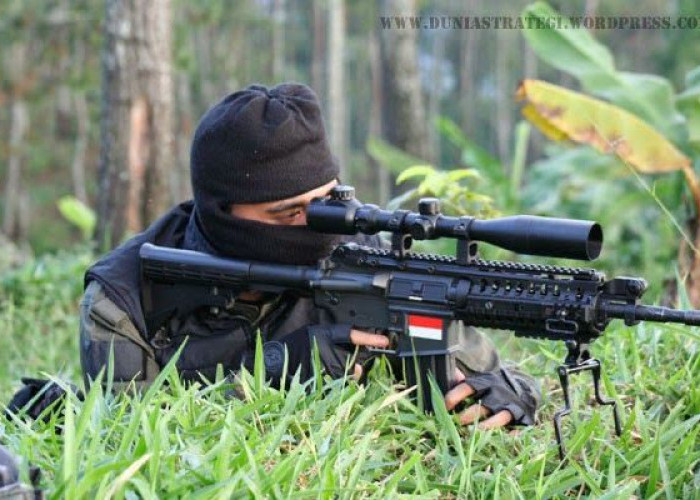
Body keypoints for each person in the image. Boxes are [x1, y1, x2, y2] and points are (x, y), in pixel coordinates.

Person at [78, 83, 540, 429]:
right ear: (222, 213)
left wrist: (509, 394)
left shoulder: (361, 259)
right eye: (289, 213)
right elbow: (127, 433)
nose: (316, 226)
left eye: (325, 203)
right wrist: (273, 372)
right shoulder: (126, 294)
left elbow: (493, 372)